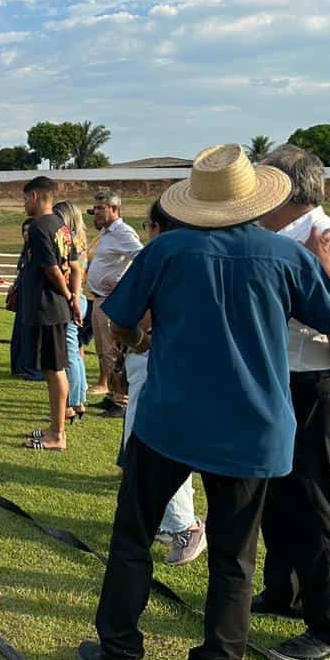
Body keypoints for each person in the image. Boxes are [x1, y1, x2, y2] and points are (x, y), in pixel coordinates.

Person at [77, 144, 330, 660]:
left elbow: (121, 316)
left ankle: (119, 652)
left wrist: (138, 342)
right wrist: (325, 270)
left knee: (133, 534)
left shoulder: (168, 249)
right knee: (235, 556)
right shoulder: (286, 255)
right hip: (253, 426)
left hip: (171, 418)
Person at [254, 145, 330, 660]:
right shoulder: (285, 237)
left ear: (285, 188)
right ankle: (285, 592)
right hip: (286, 382)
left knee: (314, 501)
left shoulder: (326, 239)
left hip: (313, 385)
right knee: (279, 495)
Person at [122, 201, 207, 567]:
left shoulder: (162, 258)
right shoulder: (196, 258)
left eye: (149, 226)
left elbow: (130, 318)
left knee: (156, 444)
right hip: (172, 361)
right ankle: (167, 520)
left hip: (156, 359)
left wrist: (137, 341)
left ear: (158, 228)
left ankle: (184, 525)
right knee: (150, 444)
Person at [20, 178, 79, 451]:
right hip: (56, 306)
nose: (24, 204)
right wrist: (74, 297)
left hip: (48, 307)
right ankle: (56, 426)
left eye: (25, 199)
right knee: (53, 368)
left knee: (55, 370)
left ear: (35, 196)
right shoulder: (61, 225)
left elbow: (52, 269)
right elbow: (74, 265)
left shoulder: (39, 226)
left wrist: (68, 296)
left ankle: (57, 434)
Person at [86, 190, 143, 418]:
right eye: (95, 208)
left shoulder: (123, 232)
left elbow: (141, 258)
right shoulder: (106, 233)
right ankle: (111, 395)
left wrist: (125, 286)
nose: (97, 212)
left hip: (111, 300)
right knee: (103, 351)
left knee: (113, 351)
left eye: (101, 208)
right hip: (99, 298)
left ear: (114, 209)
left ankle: (122, 401)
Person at [53, 201, 89, 421]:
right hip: (80, 296)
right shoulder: (81, 239)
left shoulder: (68, 241)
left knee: (69, 353)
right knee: (74, 351)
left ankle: (72, 401)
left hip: (71, 299)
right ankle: (80, 398)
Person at [8, 219, 42, 382]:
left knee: (30, 334)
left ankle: (32, 369)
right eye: (24, 231)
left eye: (29, 230)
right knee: (19, 333)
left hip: (33, 297)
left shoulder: (39, 250)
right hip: (22, 295)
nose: (26, 234)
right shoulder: (25, 251)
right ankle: (18, 366)